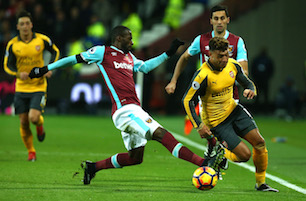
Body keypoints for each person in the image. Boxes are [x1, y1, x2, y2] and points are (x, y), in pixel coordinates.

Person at [29, 25, 225, 185]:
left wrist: (169, 53)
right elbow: (72, 60)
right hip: (125, 110)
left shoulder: (129, 58)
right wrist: (44, 69)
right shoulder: (102, 52)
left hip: (133, 110)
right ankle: (203, 163)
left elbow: (146, 67)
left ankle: (92, 168)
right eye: (129, 38)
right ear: (119, 39)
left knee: (135, 157)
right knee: (161, 134)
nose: (132, 41)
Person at [182, 37, 278, 192]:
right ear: (210, 55)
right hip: (217, 122)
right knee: (244, 155)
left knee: (260, 143)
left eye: (227, 55)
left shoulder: (232, 65)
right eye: (220, 56)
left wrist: (250, 89)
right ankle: (223, 152)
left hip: (235, 111)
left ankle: (261, 184)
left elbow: (248, 83)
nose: (225, 59)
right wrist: (198, 124)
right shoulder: (202, 75)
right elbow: (187, 100)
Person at [165, 4, 248, 162]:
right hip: (207, 97)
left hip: (230, 96)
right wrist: (173, 80)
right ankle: (216, 153)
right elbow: (184, 57)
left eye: (222, 18)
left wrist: (241, 80)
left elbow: (244, 69)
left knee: (228, 137)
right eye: (216, 18)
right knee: (212, 133)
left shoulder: (236, 42)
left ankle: (216, 156)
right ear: (210, 20)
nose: (219, 22)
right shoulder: (201, 40)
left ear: (228, 20)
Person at [3, 10, 60, 161]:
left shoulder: (41, 40)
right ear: (17, 26)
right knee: (23, 121)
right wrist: (17, 74)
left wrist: (49, 67)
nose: (25, 26)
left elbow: (55, 52)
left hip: (39, 86)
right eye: (22, 24)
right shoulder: (12, 45)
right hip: (21, 87)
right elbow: (7, 65)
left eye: (27, 23)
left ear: (31, 25)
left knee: (33, 118)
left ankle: (40, 127)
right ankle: (31, 151)